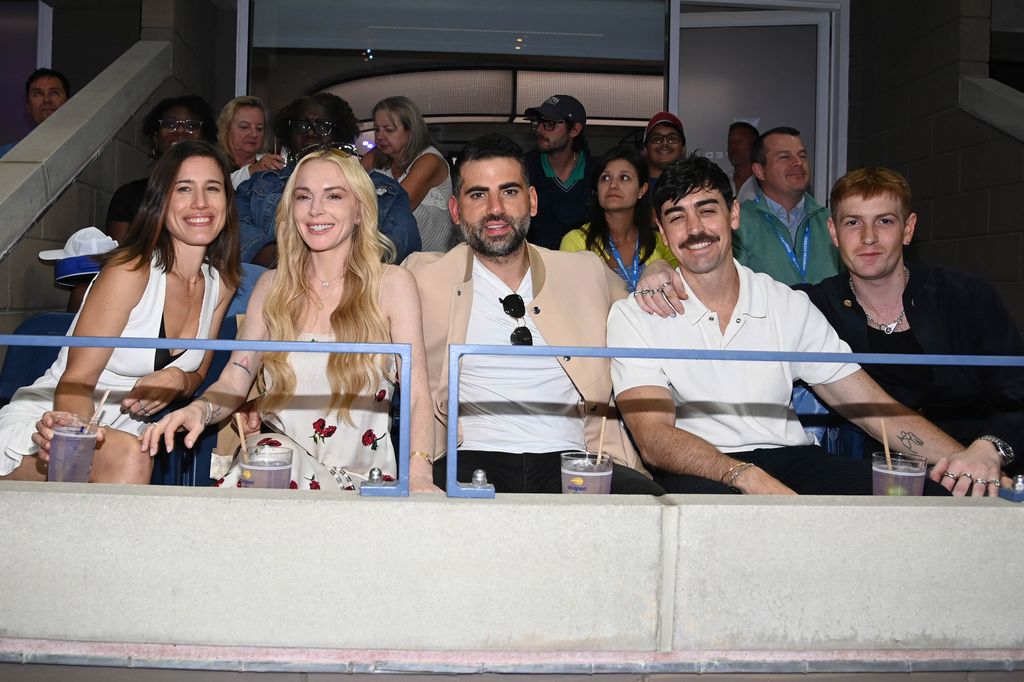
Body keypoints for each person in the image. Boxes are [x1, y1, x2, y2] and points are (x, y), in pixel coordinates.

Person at [608, 154, 1004, 496]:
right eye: (677, 217)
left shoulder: (787, 304)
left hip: (794, 460)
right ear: (662, 232)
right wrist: (743, 475)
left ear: (734, 215)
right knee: (721, 516)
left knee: (931, 495)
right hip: (702, 468)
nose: (695, 229)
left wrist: (967, 463)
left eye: (707, 210)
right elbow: (654, 439)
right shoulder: (636, 315)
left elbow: (872, 410)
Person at [142, 148, 437, 492]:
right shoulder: (272, 287)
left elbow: (417, 394)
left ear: (360, 210)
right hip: (277, 470)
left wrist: (420, 476)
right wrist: (200, 410)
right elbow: (235, 380)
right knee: (270, 457)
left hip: (363, 484)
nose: (315, 209)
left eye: (334, 196)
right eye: (303, 196)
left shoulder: (391, 285)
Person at [404, 134, 662, 495]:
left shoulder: (584, 272)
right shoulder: (421, 276)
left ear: (533, 201)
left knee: (650, 506)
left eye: (509, 191)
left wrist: (657, 269)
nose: (495, 208)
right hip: (468, 456)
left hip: (575, 458)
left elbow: (645, 314)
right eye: (478, 194)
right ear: (455, 210)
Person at [0, 140, 240, 483]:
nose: (200, 202)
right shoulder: (129, 271)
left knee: (133, 452)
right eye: (184, 188)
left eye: (212, 188)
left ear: (227, 202)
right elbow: (76, 381)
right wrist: (73, 436)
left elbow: (198, 373)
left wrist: (179, 379)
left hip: (123, 436)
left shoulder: (221, 283)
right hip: (53, 425)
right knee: (132, 454)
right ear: (161, 201)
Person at [797, 167, 1022, 487]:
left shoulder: (965, 296)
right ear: (833, 232)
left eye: (885, 221)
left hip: (975, 481)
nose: (869, 237)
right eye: (853, 222)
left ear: (908, 228)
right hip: (864, 485)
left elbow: (1017, 392)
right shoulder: (813, 306)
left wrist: (990, 449)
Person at [237, 92, 420, 268]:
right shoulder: (260, 184)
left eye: (322, 127)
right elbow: (234, 229)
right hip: (273, 281)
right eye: (300, 126)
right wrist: (279, 259)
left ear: (341, 133)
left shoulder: (382, 188)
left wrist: (336, 266)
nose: (310, 133)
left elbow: (402, 243)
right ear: (289, 135)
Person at [559, 145, 676, 292]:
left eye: (624, 178)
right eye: (605, 178)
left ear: (642, 189)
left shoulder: (661, 242)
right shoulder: (575, 242)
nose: (613, 185)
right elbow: (570, 297)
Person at [733, 126, 840, 285]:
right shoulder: (740, 223)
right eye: (784, 157)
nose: (798, 162)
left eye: (802, 156)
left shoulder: (830, 221)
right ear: (759, 171)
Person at [106, 95, 218, 244]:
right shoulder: (129, 195)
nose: (180, 131)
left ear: (204, 139)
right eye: (169, 124)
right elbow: (119, 253)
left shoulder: (220, 195)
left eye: (191, 125)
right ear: (155, 137)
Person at [361, 96, 458, 252]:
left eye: (389, 129)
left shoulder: (430, 161)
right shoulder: (377, 155)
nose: (379, 136)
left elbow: (394, 206)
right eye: (377, 129)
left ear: (411, 130)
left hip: (434, 263)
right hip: (391, 259)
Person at [522, 95, 594, 250]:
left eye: (549, 124)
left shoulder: (597, 173)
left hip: (583, 261)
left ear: (574, 130)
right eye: (538, 122)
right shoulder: (524, 168)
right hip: (537, 260)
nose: (540, 129)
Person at [216, 95, 286, 188]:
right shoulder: (212, 162)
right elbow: (218, 187)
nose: (254, 134)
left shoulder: (269, 166)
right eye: (244, 127)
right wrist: (252, 170)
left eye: (259, 128)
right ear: (226, 129)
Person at [0, 68, 71, 158]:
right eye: (38, 94)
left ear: (69, 101)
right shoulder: (6, 155)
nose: (46, 99)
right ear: (28, 106)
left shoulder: (86, 148)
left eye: (54, 93)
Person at [643, 112, 686, 194]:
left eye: (672, 138)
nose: (664, 143)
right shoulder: (634, 187)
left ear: (683, 148)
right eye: (656, 139)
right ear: (645, 148)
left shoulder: (694, 187)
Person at [727, 121, 759, 204]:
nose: (733, 146)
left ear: (754, 145)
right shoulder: (722, 180)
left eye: (739, 142)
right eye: (730, 142)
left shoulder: (767, 181)